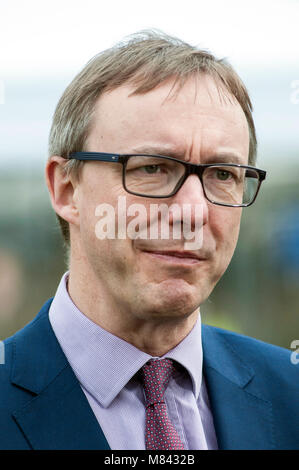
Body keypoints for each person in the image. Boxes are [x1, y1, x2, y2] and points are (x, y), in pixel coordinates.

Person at [0, 31, 298, 451]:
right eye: (153, 168)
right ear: (67, 189)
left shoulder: (291, 393)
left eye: (223, 175)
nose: (194, 212)